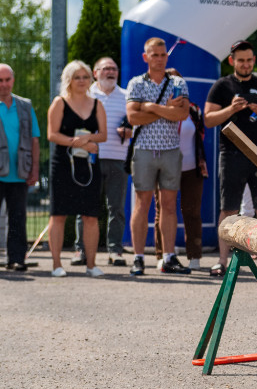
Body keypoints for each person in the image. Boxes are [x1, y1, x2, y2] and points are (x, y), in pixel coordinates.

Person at [204, 39, 257, 277]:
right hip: (231, 154)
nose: (246, 64)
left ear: (254, 60)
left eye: (249, 60)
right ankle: (221, 261)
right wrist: (231, 109)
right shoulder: (222, 85)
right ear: (232, 61)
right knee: (227, 209)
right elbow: (208, 119)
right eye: (241, 60)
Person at [125, 38, 191, 276]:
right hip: (144, 149)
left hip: (171, 150)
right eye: (155, 55)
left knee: (169, 205)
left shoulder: (177, 82)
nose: (160, 59)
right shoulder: (136, 83)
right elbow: (133, 118)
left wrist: (150, 107)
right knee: (142, 204)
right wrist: (165, 109)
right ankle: (138, 257)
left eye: (163, 55)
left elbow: (182, 113)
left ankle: (168, 257)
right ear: (146, 57)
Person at [46, 61, 107, 277]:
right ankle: (56, 265)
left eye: (85, 77)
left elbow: (103, 135)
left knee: (91, 215)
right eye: (77, 77)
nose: (82, 81)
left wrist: (88, 138)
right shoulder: (59, 102)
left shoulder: (97, 104)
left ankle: (91, 265)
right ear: (69, 80)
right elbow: (52, 134)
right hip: (63, 164)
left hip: (88, 166)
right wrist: (76, 141)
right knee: (58, 215)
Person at [70, 57, 129, 267]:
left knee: (117, 208)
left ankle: (115, 250)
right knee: (85, 206)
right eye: (105, 69)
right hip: (88, 160)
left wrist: (130, 130)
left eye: (114, 69)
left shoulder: (126, 96)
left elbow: (136, 124)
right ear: (95, 73)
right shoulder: (86, 95)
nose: (110, 72)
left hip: (118, 159)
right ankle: (81, 251)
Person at [153, 69, 207, 272]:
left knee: (192, 211)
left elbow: (200, 136)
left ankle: (194, 256)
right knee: (163, 211)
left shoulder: (194, 109)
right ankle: (163, 255)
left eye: (177, 83)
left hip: (192, 167)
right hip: (164, 167)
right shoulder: (156, 108)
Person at [0, 63, 40, 272]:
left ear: (13, 80)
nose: (4, 85)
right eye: (0, 81)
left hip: (19, 172)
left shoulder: (25, 105)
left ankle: (16, 259)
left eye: (7, 80)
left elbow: (34, 139)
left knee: (17, 217)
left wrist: (34, 169)